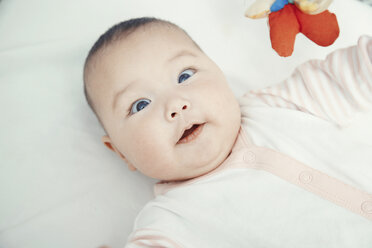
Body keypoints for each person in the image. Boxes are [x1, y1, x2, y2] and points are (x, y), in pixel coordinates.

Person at [83, 17, 372, 247]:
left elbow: (352, 71)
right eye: (140, 104)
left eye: (184, 76)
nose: (175, 105)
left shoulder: (279, 105)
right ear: (121, 152)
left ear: (220, 74)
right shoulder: (171, 222)